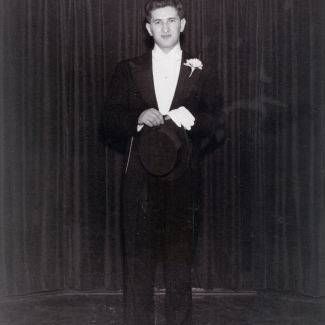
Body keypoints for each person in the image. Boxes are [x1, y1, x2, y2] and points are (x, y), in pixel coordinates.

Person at [101, 1, 225, 323]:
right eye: (158, 22)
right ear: (148, 29)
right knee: (138, 271)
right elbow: (108, 119)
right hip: (139, 185)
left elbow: (219, 124)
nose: (166, 28)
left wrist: (193, 120)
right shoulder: (127, 69)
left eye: (172, 20)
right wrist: (137, 117)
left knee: (180, 272)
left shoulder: (203, 70)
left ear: (182, 25)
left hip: (184, 184)